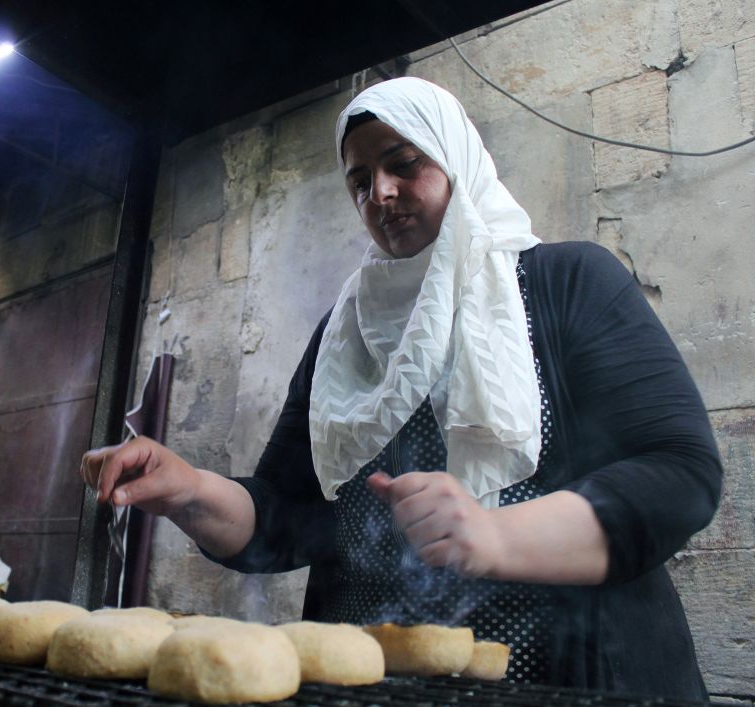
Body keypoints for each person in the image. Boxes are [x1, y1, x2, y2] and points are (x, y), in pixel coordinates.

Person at [81, 78, 721, 699]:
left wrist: (497, 535)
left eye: (404, 163)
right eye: (359, 182)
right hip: (376, 689)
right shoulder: (344, 334)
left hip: (569, 679)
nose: (380, 193)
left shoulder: (565, 283)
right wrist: (188, 490)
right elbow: (287, 515)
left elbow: (678, 472)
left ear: (456, 160)